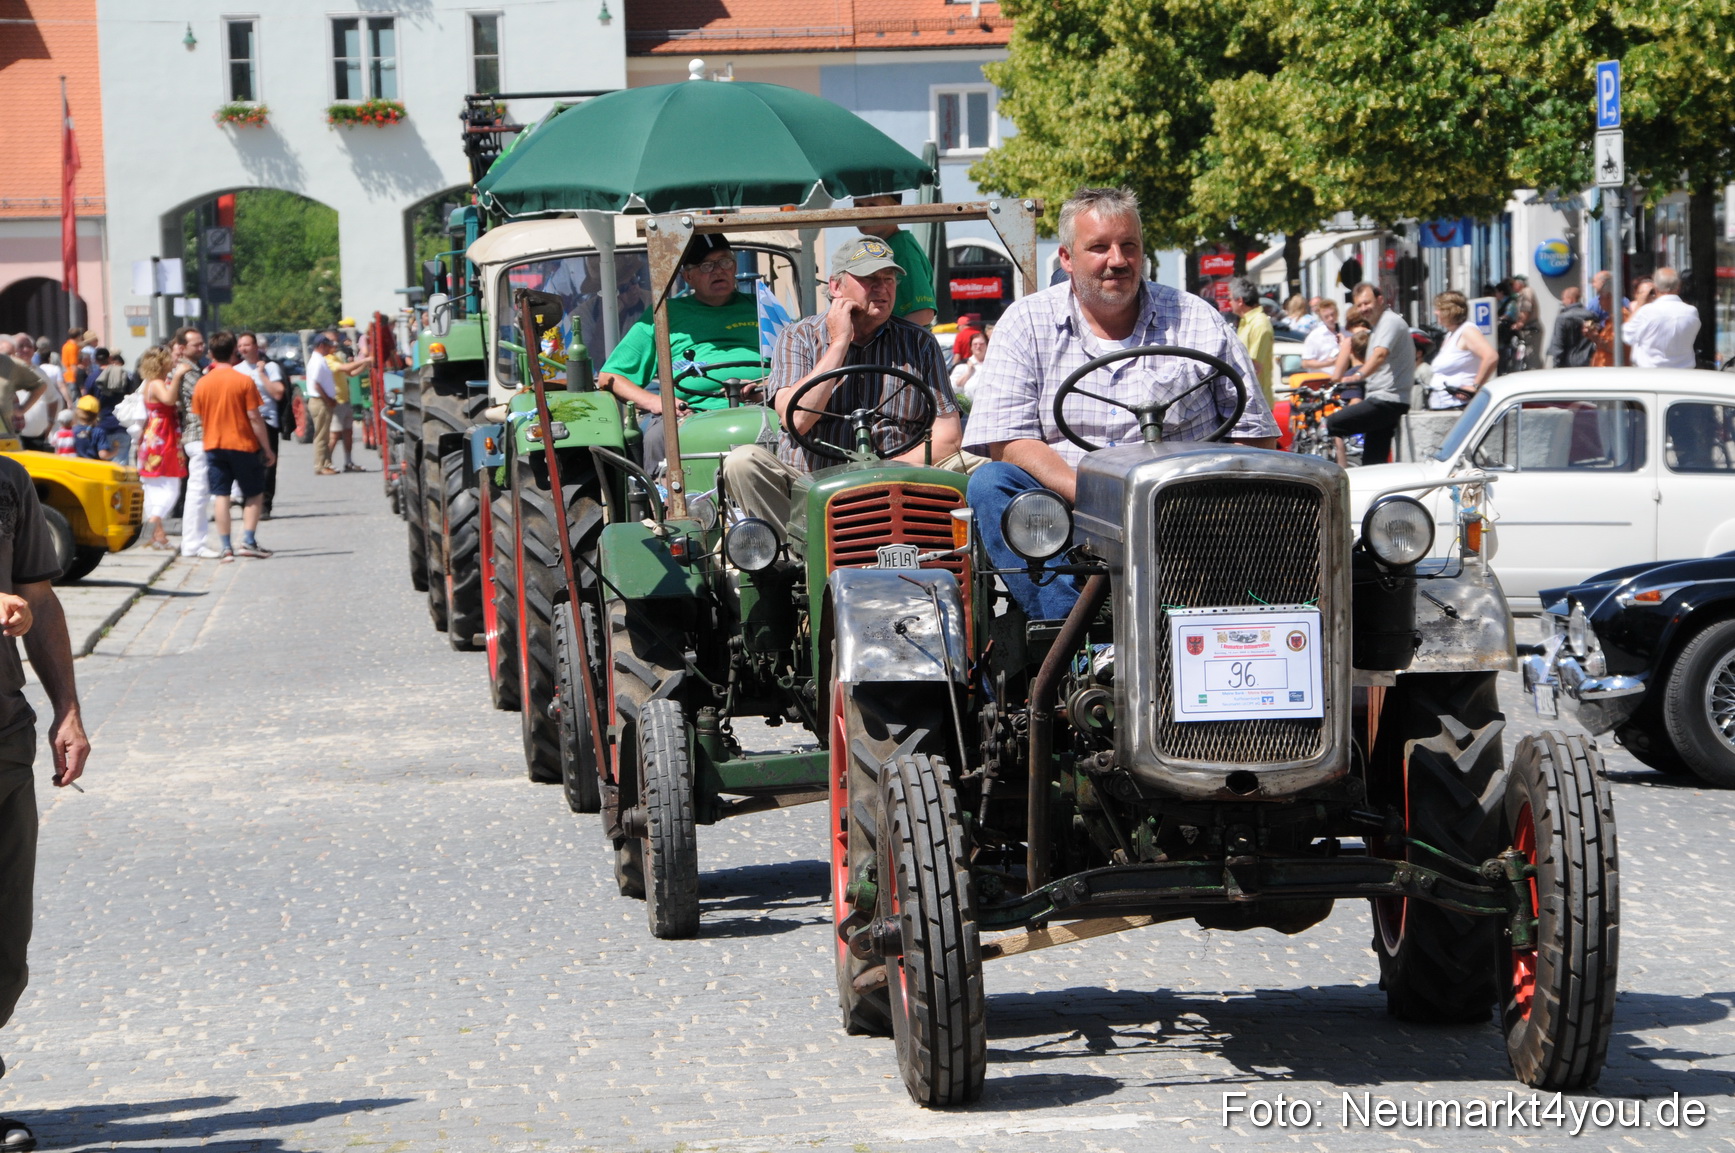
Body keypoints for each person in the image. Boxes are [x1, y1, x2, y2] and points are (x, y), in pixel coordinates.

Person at [963, 187, 1277, 621]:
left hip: (1191, 515)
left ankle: (1246, 624)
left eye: (1129, 246)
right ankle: (1074, 636)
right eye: (1099, 247)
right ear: (1067, 258)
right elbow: (1008, 440)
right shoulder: (1026, 322)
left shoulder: (1197, 318)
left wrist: (1199, 498)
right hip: (1068, 511)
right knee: (991, 484)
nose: (1117, 260)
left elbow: (1255, 439)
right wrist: (1091, 493)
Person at [721, 236, 970, 528]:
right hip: (809, 490)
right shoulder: (797, 337)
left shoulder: (919, 342)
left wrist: (884, 472)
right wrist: (839, 343)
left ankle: (963, 559)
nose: (882, 288)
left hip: (901, 481)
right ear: (836, 287)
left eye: (888, 278)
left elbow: (948, 435)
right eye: (869, 279)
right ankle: (791, 559)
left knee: (985, 469)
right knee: (742, 462)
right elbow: (798, 419)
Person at [0, 448, 91, 1153]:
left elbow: (41, 594)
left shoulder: (8, 481)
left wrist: (67, 708)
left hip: (3, 739)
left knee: (5, 946)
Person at [597, 234, 765, 472]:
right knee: (657, 436)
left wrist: (768, 385)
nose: (718, 271)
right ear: (688, 276)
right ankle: (665, 503)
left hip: (763, 406)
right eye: (707, 266)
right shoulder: (663, 314)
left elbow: (798, 361)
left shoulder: (761, 306)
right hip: (691, 415)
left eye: (725, 262)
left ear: (735, 266)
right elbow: (610, 377)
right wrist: (658, 403)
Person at [190, 331, 274, 561]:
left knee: (221, 496)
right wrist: (266, 448)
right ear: (234, 352)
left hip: (214, 444)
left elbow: (198, 416)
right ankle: (248, 540)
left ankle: (226, 547)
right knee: (254, 494)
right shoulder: (243, 380)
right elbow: (255, 417)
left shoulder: (203, 383)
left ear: (211, 353)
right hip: (242, 443)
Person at [1323, 281, 1414, 466]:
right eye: (1359, 305)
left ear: (1380, 300)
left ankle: (1340, 474)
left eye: (1367, 302)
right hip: (1385, 399)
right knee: (1373, 462)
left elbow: (1380, 355)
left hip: (1387, 400)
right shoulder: (1378, 326)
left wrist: (1358, 376)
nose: (1364, 308)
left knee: (1331, 424)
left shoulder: (1389, 321)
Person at [851, 193, 937, 326]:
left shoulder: (902, 249)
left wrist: (888, 342)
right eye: (858, 205)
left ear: (895, 209)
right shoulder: (886, 246)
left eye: (872, 205)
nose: (863, 212)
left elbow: (923, 313)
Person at [171, 327, 221, 559]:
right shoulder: (188, 372)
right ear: (182, 347)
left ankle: (195, 542)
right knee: (198, 492)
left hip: (199, 434)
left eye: (202, 344)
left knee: (200, 491)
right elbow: (204, 398)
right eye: (196, 345)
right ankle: (193, 544)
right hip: (197, 433)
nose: (201, 348)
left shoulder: (192, 369)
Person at [136, 346, 186, 550]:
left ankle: (158, 536)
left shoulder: (149, 383)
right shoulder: (157, 383)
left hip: (153, 436)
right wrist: (178, 377)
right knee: (170, 487)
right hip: (163, 438)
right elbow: (168, 399)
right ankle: (153, 524)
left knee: (153, 488)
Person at [236, 333, 285, 516]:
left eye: (247, 345)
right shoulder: (237, 369)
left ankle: (264, 505)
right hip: (245, 423)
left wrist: (261, 374)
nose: (243, 349)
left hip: (267, 420)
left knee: (267, 464)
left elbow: (278, 393)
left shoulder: (270, 367)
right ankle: (247, 503)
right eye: (240, 346)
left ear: (257, 347)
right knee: (246, 465)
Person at [1426, 291, 1499, 409]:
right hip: (1444, 405)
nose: (1435, 312)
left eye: (1438, 309)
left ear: (1448, 311)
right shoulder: (1451, 334)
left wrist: (1475, 386)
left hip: (1459, 405)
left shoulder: (1468, 331)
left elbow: (1491, 356)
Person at [1624, 267, 1701, 369]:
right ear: (1678, 287)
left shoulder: (1646, 311)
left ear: (1655, 287)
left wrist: (1639, 304)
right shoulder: (1692, 312)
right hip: (1683, 375)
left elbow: (1627, 336)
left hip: (1651, 375)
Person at [323, 332, 371, 473]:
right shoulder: (327, 359)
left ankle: (348, 462)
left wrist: (365, 364)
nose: (336, 344)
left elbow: (351, 373)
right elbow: (346, 368)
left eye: (335, 341)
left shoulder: (337, 357)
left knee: (348, 432)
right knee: (334, 434)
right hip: (336, 401)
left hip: (345, 400)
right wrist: (365, 359)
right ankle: (326, 463)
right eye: (332, 342)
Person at [1228, 278, 1276, 409]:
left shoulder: (1259, 324)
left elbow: (1255, 367)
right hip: (1248, 399)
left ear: (1240, 301)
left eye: (1230, 299)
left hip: (1257, 403)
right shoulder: (1246, 322)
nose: (1229, 303)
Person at [305, 333, 339, 476]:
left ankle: (326, 463)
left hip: (322, 400)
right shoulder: (318, 362)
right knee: (321, 436)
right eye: (327, 346)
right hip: (320, 401)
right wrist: (328, 399)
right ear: (321, 346)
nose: (329, 349)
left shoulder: (320, 360)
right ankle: (320, 465)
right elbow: (317, 384)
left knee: (324, 435)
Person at [0, 341, 43, 441]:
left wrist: (22, 409)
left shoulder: (9, 364)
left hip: (6, 440)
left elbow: (40, 386)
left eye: (12, 353)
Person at [1547, 286, 1598, 369]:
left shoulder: (1562, 318)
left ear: (1571, 299)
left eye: (1563, 299)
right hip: (1588, 361)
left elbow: (1558, 344)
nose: (1562, 302)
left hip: (1568, 364)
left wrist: (1556, 365)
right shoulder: (1592, 316)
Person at [1300, 298, 1343, 372]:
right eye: (1327, 316)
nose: (1331, 318)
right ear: (1321, 318)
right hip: (1323, 379)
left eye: (1333, 314)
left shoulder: (1346, 332)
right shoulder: (1315, 336)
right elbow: (1305, 363)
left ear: (1337, 313)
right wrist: (1328, 364)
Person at [70, 396, 116, 460]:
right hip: (93, 468)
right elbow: (103, 455)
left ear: (77, 413)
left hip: (74, 466)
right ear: (96, 414)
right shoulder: (99, 432)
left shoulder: (72, 431)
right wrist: (115, 451)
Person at [950, 327, 988, 404]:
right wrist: (968, 373)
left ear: (987, 346)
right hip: (967, 412)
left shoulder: (994, 366)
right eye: (975, 344)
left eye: (981, 344)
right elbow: (952, 388)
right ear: (970, 347)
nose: (978, 346)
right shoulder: (962, 366)